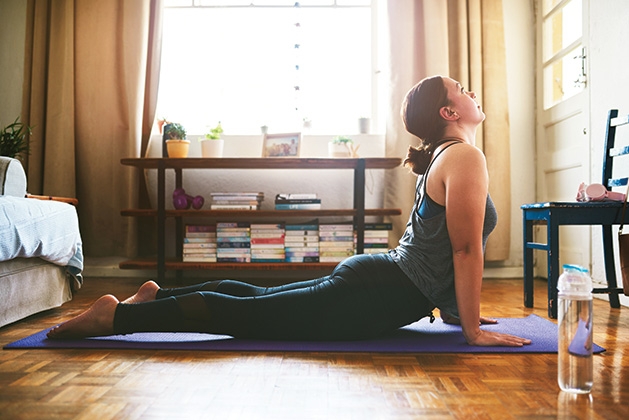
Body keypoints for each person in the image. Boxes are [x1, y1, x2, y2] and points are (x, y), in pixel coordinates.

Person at [48, 75, 531, 347]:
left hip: (378, 282)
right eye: (462, 89)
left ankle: (153, 298)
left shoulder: (449, 157)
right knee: (249, 317)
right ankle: (115, 319)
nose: (471, 91)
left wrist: (457, 312)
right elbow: (465, 250)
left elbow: (445, 247)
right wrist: (469, 330)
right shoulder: (465, 156)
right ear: (449, 113)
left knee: (257, 300)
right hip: (376, 294)